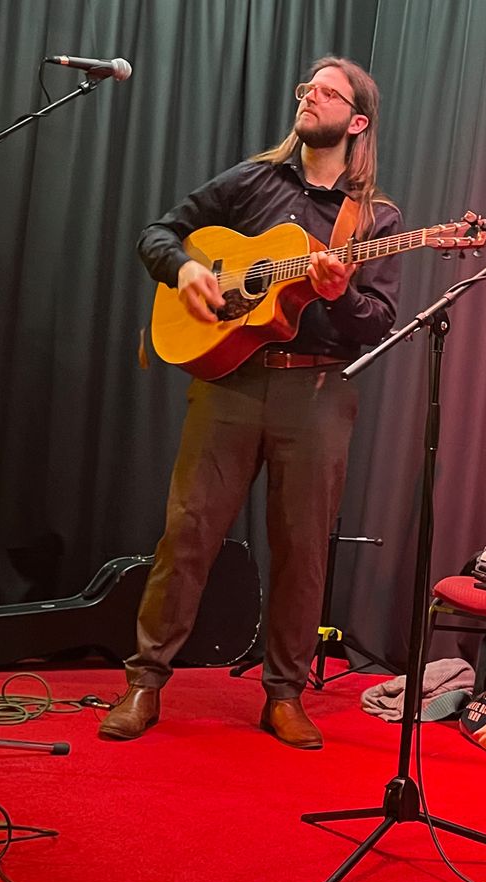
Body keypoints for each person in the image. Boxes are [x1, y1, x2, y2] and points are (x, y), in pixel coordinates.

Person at [98, 57, 403, 749]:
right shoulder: (254, 180)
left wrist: (339, 294)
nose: (309, 98)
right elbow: (159, 234)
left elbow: (378, 321)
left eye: (327, 92)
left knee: (302, 550)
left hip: (319, 393)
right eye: (307, 88)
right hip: (230, 383)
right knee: (188, 532)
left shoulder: (377, 217)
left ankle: (284, 694)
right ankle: (145, 682)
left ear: (356, 122)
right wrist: (187, 272)